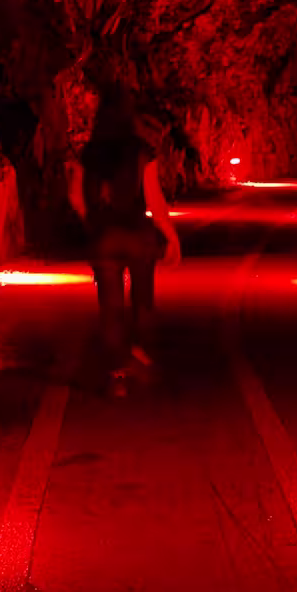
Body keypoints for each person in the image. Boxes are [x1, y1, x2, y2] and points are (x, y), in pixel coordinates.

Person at [66, 85, 180, 390]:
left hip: (105, 238)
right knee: (143, 301)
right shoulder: (142, 152)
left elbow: (75, 196)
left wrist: (92, 223)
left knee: (110, 307)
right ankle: (141, 355)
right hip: (138, 237)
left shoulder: (88, 153)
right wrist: (171, 237)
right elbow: (155, 201)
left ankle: (116, 371)